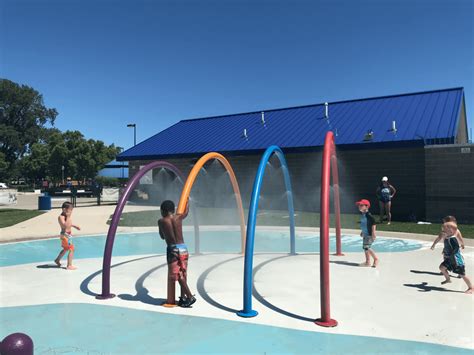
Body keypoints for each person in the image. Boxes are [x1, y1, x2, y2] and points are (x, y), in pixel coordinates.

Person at [158, 199, 196, 307]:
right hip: (183, 248)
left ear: (163, 211)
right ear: (173, 209)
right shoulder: (178, 217)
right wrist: (187, 202)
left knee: (175, 274)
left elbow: (162, 236)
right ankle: (183, 297)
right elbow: (186, 212)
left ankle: (189, 297)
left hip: (172, 249)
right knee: (182, 272)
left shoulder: (161, 221)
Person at [431, 216, 472, 294]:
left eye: (444, 230)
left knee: (462, 274)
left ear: (451, 231)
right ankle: (448, 279)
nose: (442, 231)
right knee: (442, 267)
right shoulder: (447, 238)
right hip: (449, 258)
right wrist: (445, 251)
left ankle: (471, 287)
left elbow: (456, 248)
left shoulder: (452, 239)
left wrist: (451, 254)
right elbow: (446, 245)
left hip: (456, 259)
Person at [54, 201, 80, 270]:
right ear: (64, 209)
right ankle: (69, 265)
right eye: (70, 210)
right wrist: (68, 217)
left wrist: (74, 226)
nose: (71, 211)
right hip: (65, 235)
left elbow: (68, 224)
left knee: (66, 249)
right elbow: (64, 226)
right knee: (71, 249)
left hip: (68, 235)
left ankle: (57, 260)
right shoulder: (61, 217)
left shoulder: (66, 216)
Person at [356, 199, 379, 267]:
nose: (359, 206)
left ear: (366, 207)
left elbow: (373, 223)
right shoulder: (363, 214)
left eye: (361, 205)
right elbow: (364, 224)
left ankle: (376, 259)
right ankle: (368, 262)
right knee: (365, 248)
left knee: (367, 247)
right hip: (365, 234)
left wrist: (373, 233)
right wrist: (362, 231)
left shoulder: (368, 215)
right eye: (359, 205)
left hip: (369, 234)